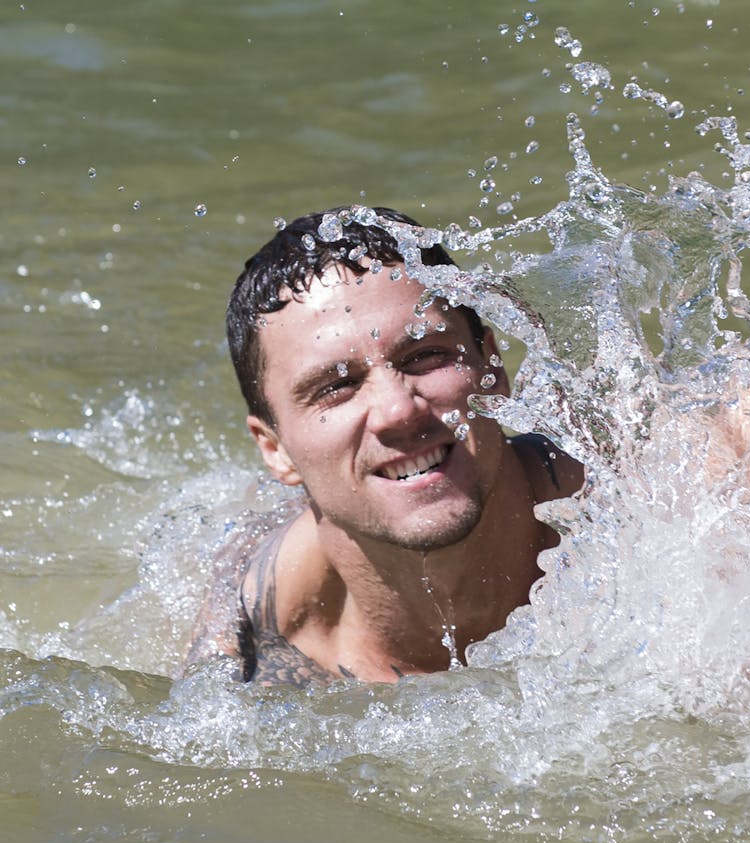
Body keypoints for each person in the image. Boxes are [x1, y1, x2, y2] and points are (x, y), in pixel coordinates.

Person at [184, 207, 583, 685]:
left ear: (493, 371)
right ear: (275, 450)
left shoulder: (642, 497)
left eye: (426, 355)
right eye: (336, 387)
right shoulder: (258, 646)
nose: (398, 411)